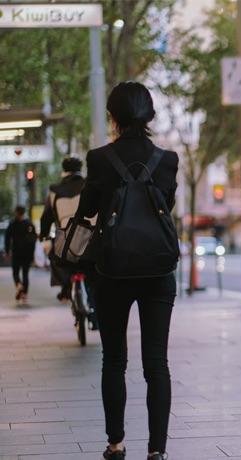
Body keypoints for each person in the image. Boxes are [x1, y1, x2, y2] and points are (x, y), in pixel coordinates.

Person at [75, 81, 178, 460]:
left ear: (113, 117)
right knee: (157, 363)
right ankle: (157, 452)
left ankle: (116, 444)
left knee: (114, 359)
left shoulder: (100, 158)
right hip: (157, 269)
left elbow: (87, 209)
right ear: (149, 115)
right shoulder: (167, 160)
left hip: (112, 269)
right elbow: (164, 203)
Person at [39, 157, 86, 302]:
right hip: (87, 236)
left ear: (64, 170)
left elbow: (46, 217)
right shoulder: (87, 185)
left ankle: (65, 288)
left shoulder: (54, 191)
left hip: (64, 238)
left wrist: (43, 235)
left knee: (57, 257)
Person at [4, 206, 37, 302]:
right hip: (27, 253)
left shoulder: (13, 224)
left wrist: (7, 251)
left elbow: (7, 238)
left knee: (15, 272)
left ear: (17, 212)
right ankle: (24, 294)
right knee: (25, 273)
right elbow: (33, 240)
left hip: (16, 252)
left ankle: (19, 285)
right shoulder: (29, 224)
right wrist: (32, 254)